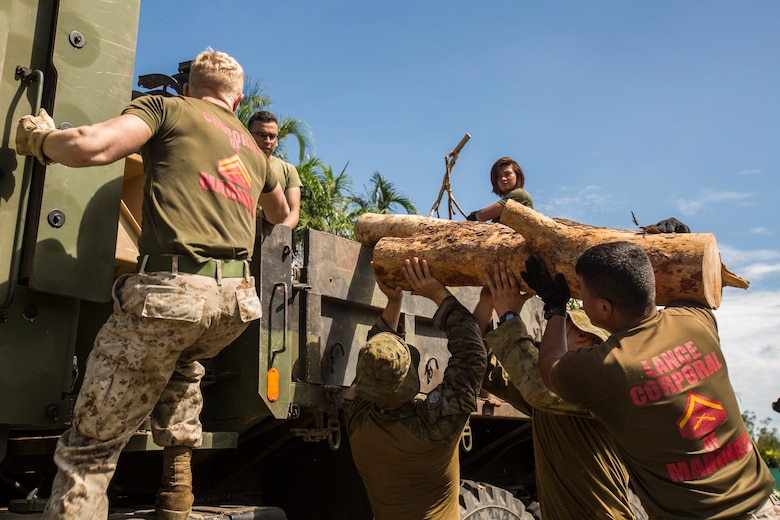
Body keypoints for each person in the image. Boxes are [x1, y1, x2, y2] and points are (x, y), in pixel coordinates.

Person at [15, 49, 289, 520]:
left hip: (173, 294)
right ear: (238, 99)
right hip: (234, 306)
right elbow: (281, 215)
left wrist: (40, 140)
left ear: (188, 86)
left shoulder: (168, 109)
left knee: (91, 444)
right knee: (180, 363)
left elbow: (89, 147)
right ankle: (176, 495)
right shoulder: (251, 145)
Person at [522, 242, 780, 519]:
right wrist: (679, 241)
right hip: (766, 507)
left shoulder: (607, 366)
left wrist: (555, 308)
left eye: (582, 295)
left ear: (605, 308)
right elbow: (686, 287)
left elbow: (550, 366)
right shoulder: (697, 321)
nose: (581, 303)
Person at [477, 264, 641, 519]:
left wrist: (509, 316)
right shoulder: (547, 402)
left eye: (561, 327)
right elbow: (485, 368)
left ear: (584, 338)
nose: (548, 336)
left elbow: (537, 384)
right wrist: (488, 305)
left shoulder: (596, 388)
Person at [345, 258, 487, 520]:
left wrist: (394, 301)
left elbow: (376, 358)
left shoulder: (357, 420)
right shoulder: (432, 429)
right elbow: (471, 357)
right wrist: (437, 294)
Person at [248, 110, 302, 229]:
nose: (267, 140)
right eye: (261, 135)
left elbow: (294, 212)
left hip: (271, 239)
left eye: (272, 136)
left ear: (276, 141)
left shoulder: (288, 170)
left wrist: (280, 233)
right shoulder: (237, 162)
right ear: (248, 135)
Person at [466, 156, 532, 222]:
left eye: (507, 174)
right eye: (498, 177)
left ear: (517, 175)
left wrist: (475, 215)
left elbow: (483, 215)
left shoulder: (520, 194)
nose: (503, 179)